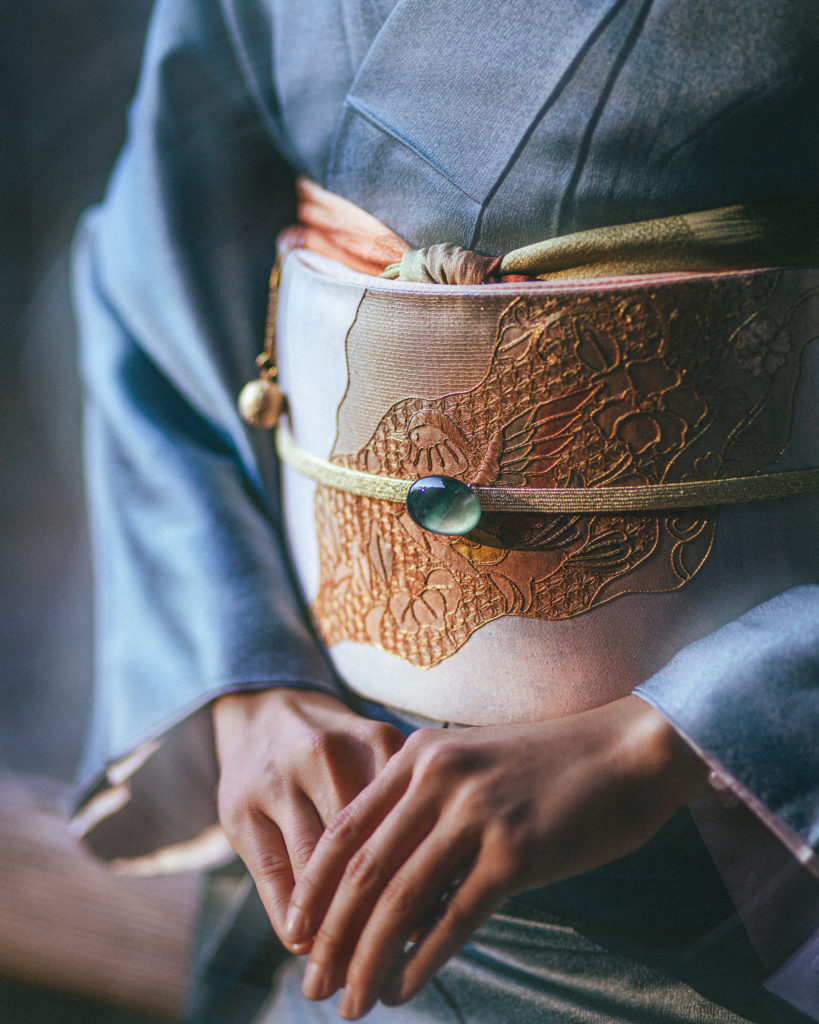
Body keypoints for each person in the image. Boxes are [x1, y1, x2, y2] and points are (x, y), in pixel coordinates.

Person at [71, 1, 819, 1021]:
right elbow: (156, 274)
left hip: (716, 849)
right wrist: (245, 682)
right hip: (320, 801)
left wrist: (683, 735)